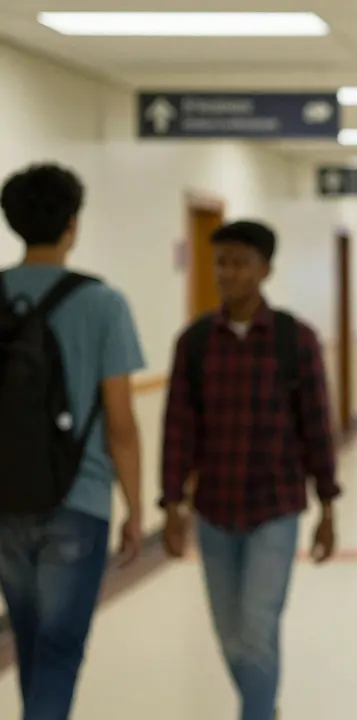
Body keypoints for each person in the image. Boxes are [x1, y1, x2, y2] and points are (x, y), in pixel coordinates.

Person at [160, 220, 340, 720]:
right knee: (231, 636)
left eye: (240, 263)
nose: (228, 273)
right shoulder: (195, 342)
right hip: (213, 510)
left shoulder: (294, 339)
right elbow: (178, 428)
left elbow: (317, 427)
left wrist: (328, 506)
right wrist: (170, 503)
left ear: (265, 270)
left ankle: (255, 712)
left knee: (258, 629)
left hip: (274, 507)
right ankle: (263, 706)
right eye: (222, 262)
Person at [0, 163, 145, 720]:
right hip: (78, 501)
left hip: (5, 498)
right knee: (59, 653)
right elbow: (121, 421)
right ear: (72, 225)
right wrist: (135, 507)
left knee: (30, 641)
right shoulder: (103, 303)